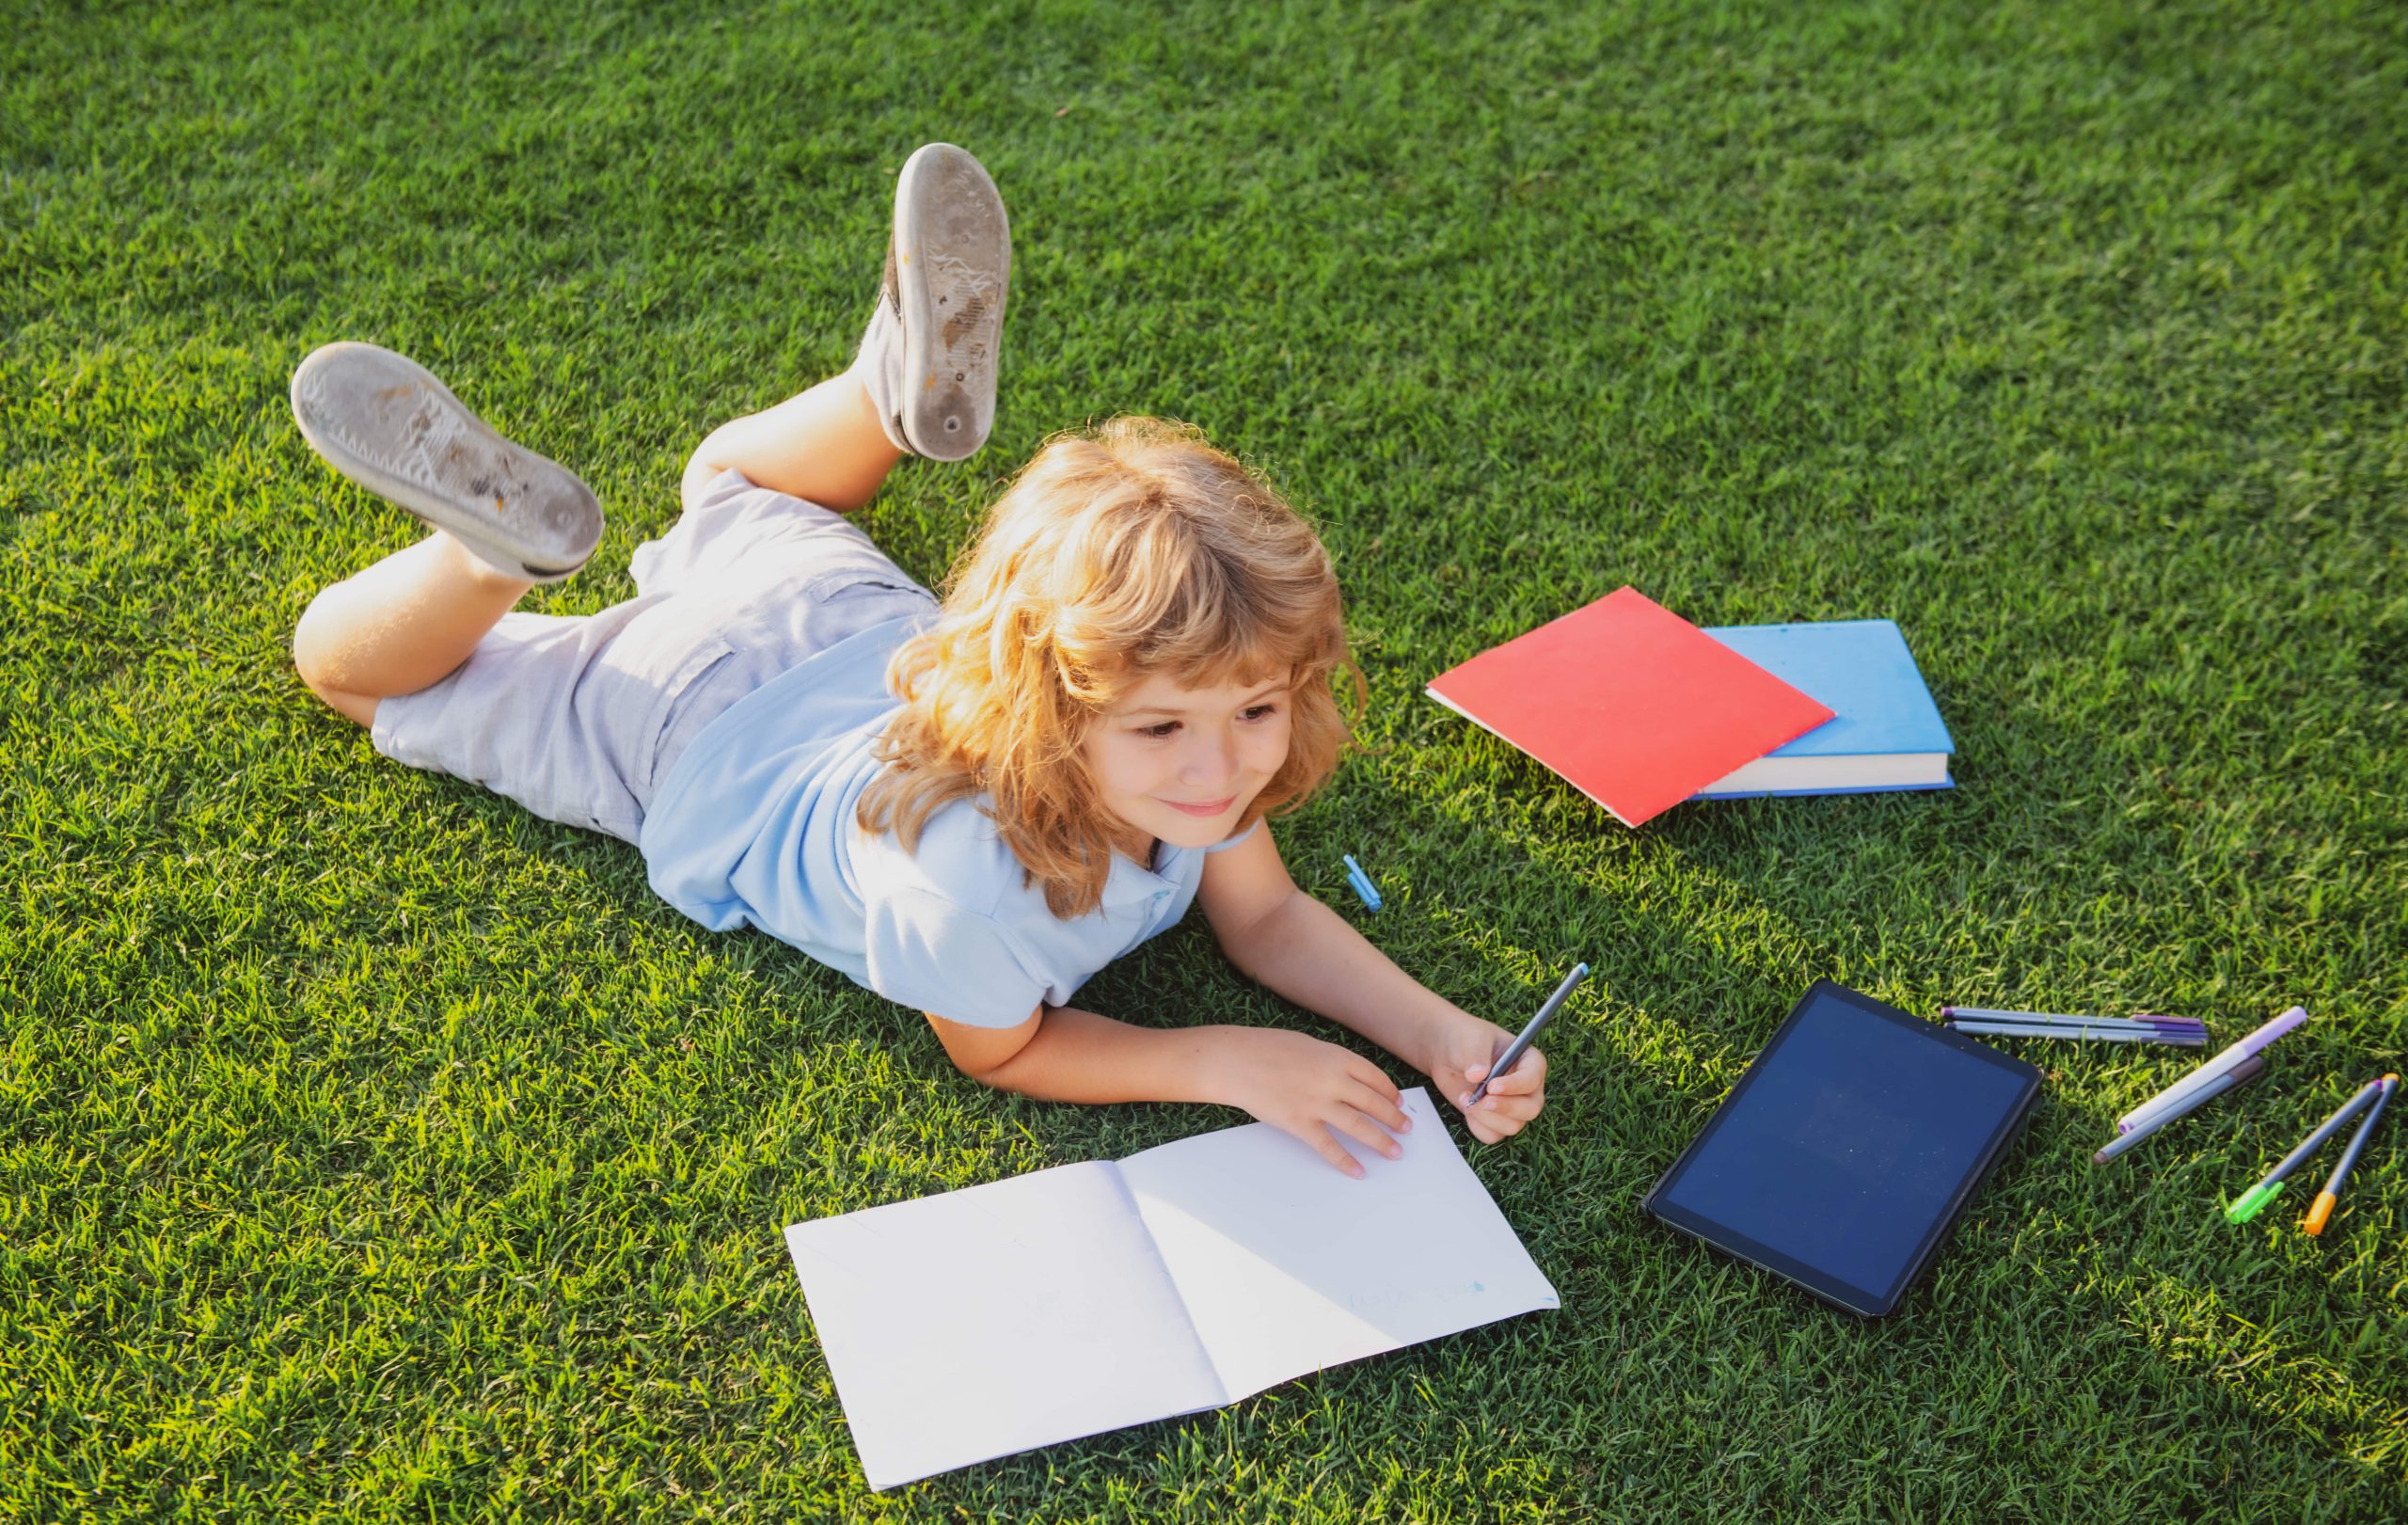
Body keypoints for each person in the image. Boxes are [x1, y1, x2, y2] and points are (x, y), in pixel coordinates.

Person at [289, 143, 1546, 1176]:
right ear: (1052, 709)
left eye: (1258, 707)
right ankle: (493, 563)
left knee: (731, 479)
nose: (1223, 772)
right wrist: (1217, 1058)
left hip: (851, 630)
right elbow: (1002, 1052)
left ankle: (887, 397)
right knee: (348, 672)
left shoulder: (1192, 760)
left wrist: (1438, 1032)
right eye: (1163, 729)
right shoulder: (964, 891)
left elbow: (1266, 913)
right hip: (690, 726)